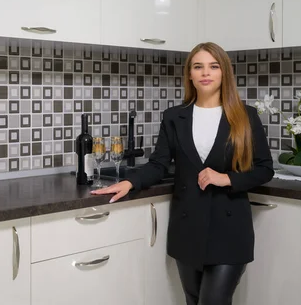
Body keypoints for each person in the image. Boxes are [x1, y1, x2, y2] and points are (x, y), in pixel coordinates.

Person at [91, 42, 274, 305]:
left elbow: (264, 168)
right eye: (198, 67)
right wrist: (129, 182)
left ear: (224, 73)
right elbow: (158, 164)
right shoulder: (174, 117)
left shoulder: (245, 116)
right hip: (187, 228)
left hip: (230, 229)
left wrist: (227, 179)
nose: (205, 73)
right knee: (193, 300)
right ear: (189, 74)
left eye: (213, 66)